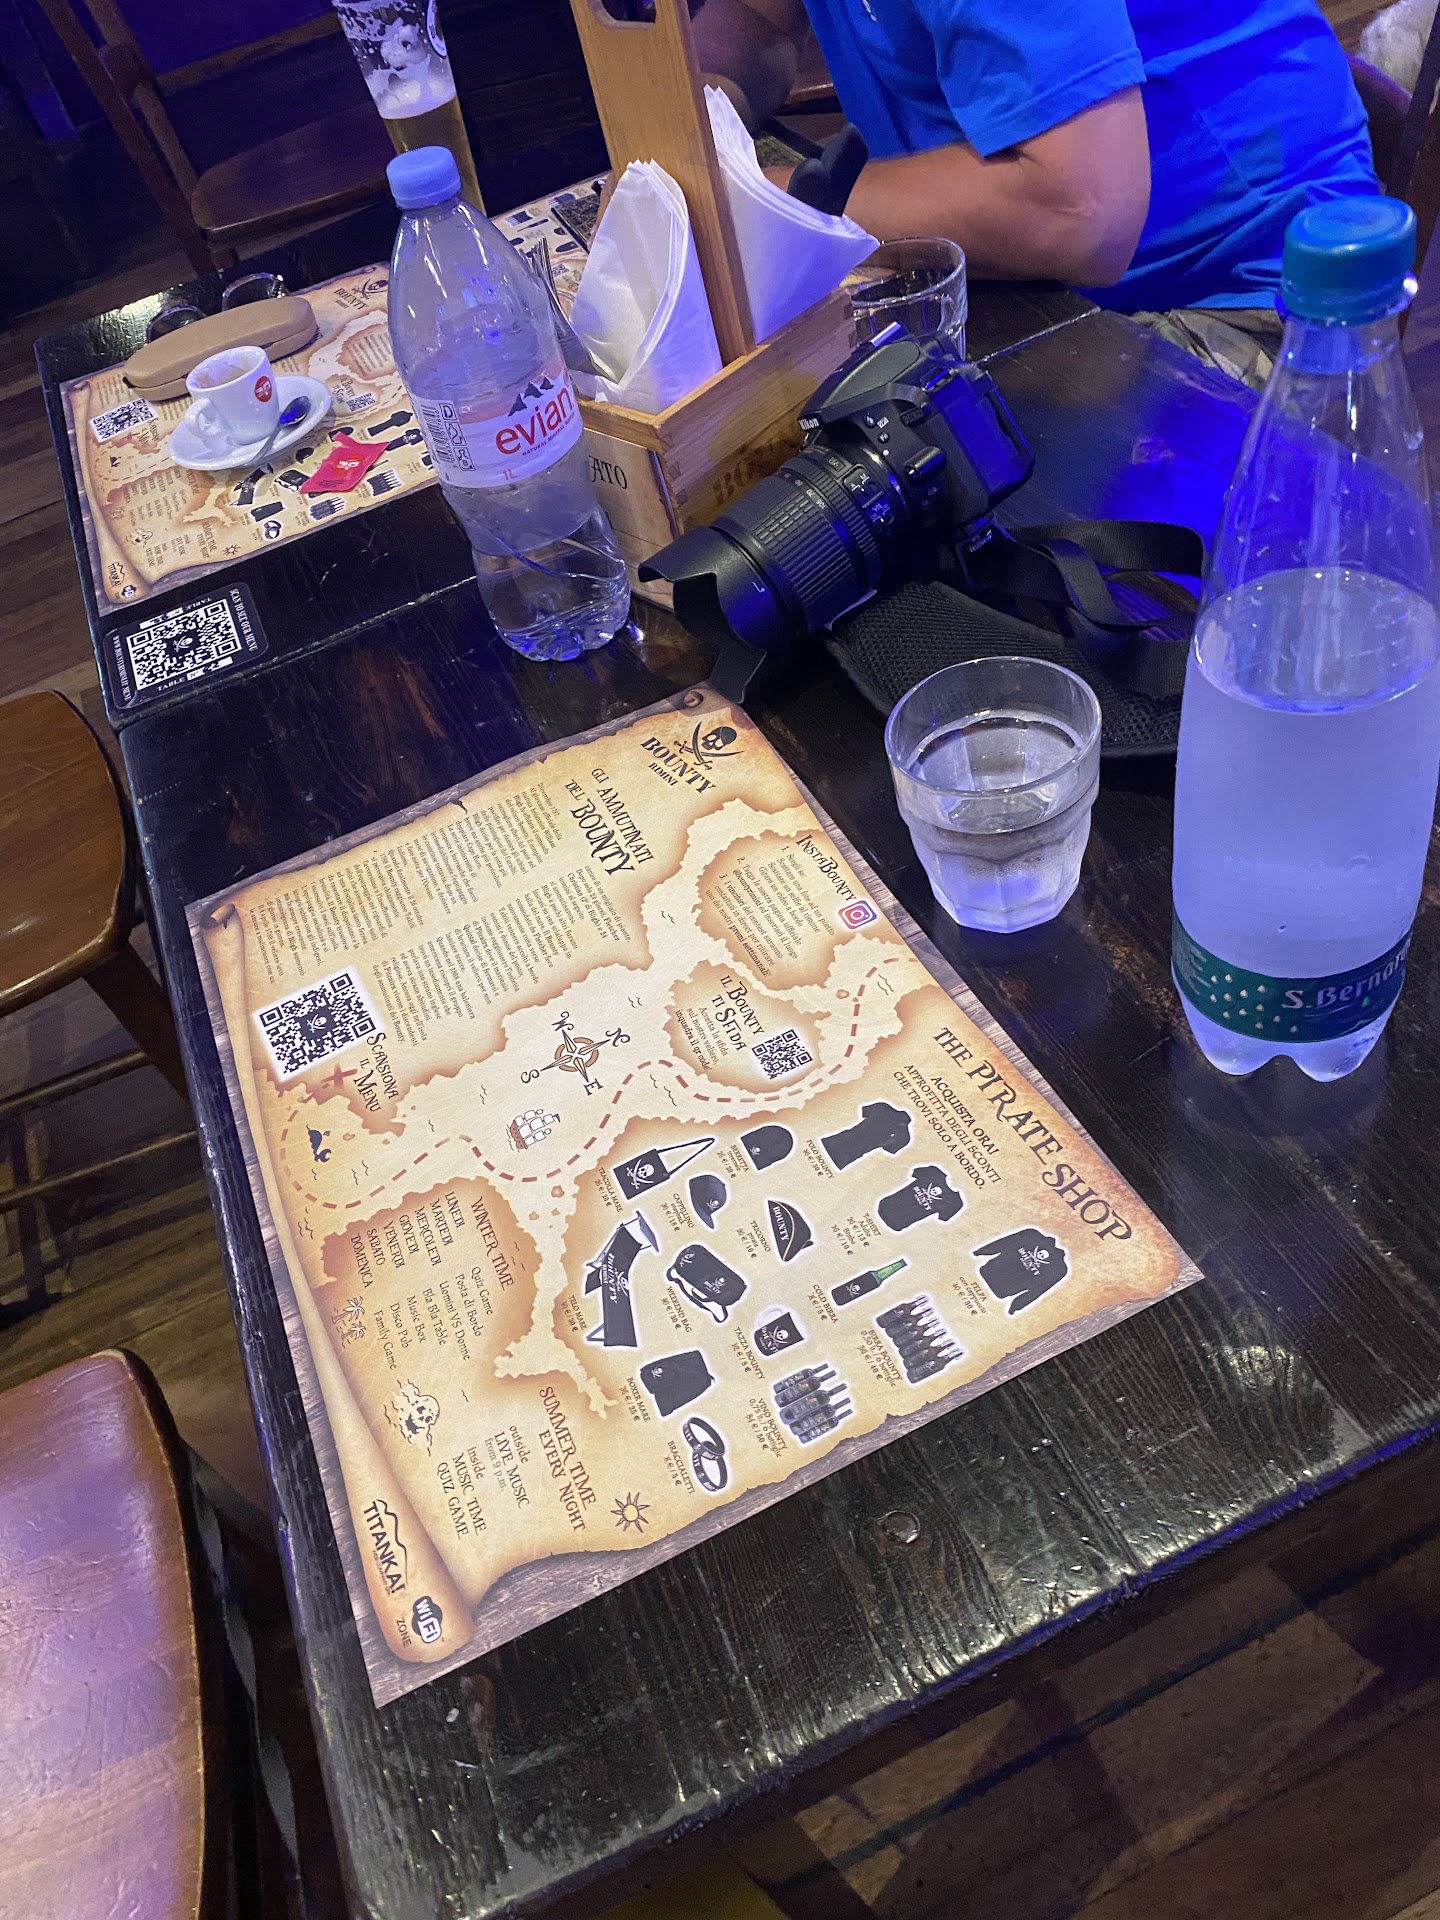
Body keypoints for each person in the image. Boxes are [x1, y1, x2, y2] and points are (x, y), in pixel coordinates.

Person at [693, 0, 1379, 385]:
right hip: (1022, 272)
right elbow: (758, 17)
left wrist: (768, 199)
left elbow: (1077, 211)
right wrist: (696, 125)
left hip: (1237, 301)